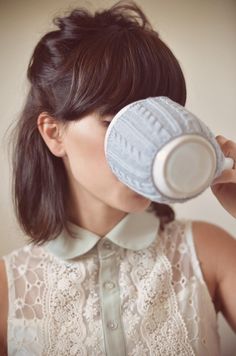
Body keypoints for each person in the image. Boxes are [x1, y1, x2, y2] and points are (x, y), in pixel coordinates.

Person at [0, 1, 235, 355]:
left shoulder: (208, 252)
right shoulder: (8, 287)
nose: (150, 146)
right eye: (114, 123)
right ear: (54, 133)